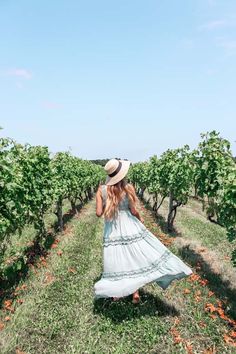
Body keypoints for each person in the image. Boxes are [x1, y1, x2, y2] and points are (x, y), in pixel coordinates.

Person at [94, 158, 193, 304]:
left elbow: (98, 213)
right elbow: (133, 210)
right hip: (129, 225)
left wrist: (107, 204)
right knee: (133, 256)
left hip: (112, 227)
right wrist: (140, 219)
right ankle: (135, 293)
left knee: (117, 258)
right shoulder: (128, 188)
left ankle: (117, 292)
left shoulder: (102, 190)